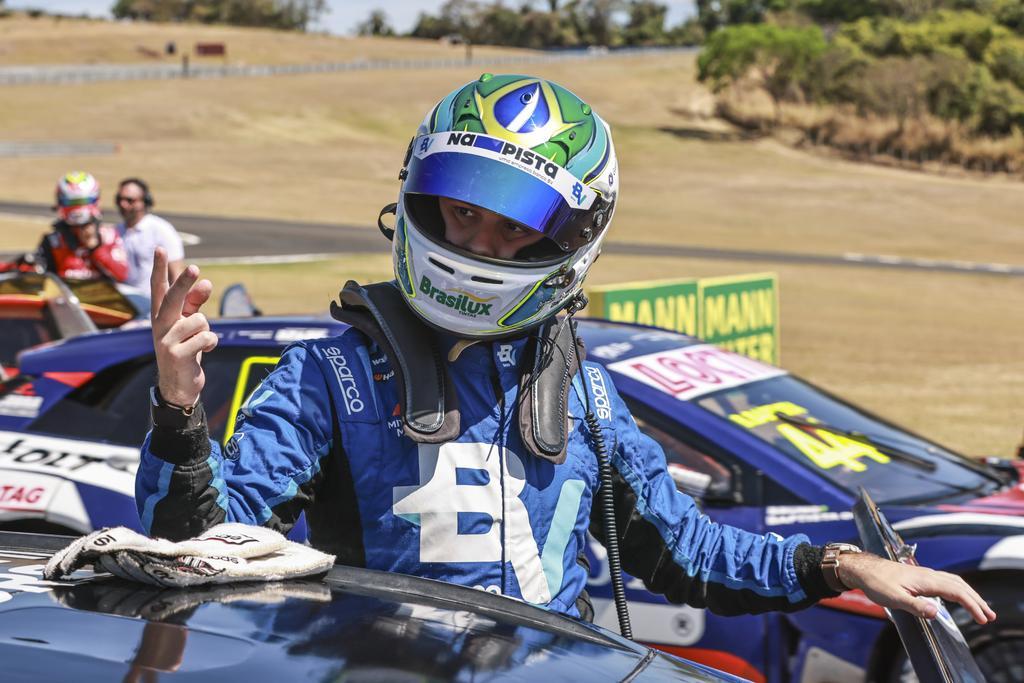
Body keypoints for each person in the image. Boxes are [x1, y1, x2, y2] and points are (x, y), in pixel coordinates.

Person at [137, 74, 995, 627]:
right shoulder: (328, 375)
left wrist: (845, 566)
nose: (481, 242)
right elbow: (201, 550)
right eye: (463, 212)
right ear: (419, 199)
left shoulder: (583, 391)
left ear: (573, 240)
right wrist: (179, 415)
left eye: (513, 228)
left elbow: (690, 554)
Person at [36, 171, 129, 282]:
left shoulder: (109, 236)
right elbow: (41, 279)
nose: (77, 207)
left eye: (82, 201)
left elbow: (122, 275)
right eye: (70, 202)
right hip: (67, 297)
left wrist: (95, 248)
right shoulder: (53, 241)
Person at [115, 177, 185, 290]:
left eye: (129, 200)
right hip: (123, 303)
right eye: (119, 199)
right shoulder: (116, 232)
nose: (123, 204)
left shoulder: (161, 230)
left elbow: (176, 274)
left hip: (152, 303)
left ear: (145, 201)